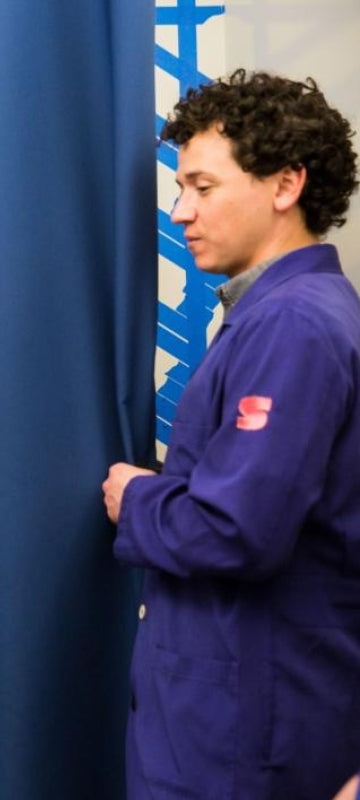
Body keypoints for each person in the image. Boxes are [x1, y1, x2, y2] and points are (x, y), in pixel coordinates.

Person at [101, 70, 360, 799]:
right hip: (231, 712)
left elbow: (236, 528)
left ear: (286, 184)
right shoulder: (276, 313)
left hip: (247, 730)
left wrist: (138, 497)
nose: (181, 211)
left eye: (203, 188)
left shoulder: (295, 325)